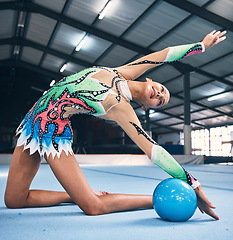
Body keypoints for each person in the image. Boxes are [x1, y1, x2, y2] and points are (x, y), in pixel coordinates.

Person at [4, 30, 226, 219]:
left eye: (160, 101)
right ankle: (74, 195)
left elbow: (154, 150)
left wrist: (192, 182)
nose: (158, 94)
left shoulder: (120, 107)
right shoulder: (122, 72)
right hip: (32, 120)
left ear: (145, 107)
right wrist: (201, 46)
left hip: (52, 131)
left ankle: (153, 200)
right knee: (14, 199)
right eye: (161, 90)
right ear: (151, 81)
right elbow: (164, 55)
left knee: (93, 207)